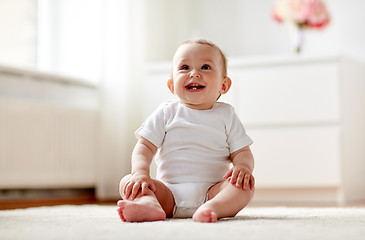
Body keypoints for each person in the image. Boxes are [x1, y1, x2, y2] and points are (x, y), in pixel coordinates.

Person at [117, 39, 255, 223]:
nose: (195, 73)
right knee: (127, 182)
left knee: (245, 186)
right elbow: (144, 147)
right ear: (172, 85)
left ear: (224, 85)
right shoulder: (166, 112)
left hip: (213, 192)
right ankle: (150, 204)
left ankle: (214, 208)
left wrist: (243, 168)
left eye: (205, 67)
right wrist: (140, 172)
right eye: (184, 67)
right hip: (168, 193)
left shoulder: (226, 115)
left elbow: (242, 152)